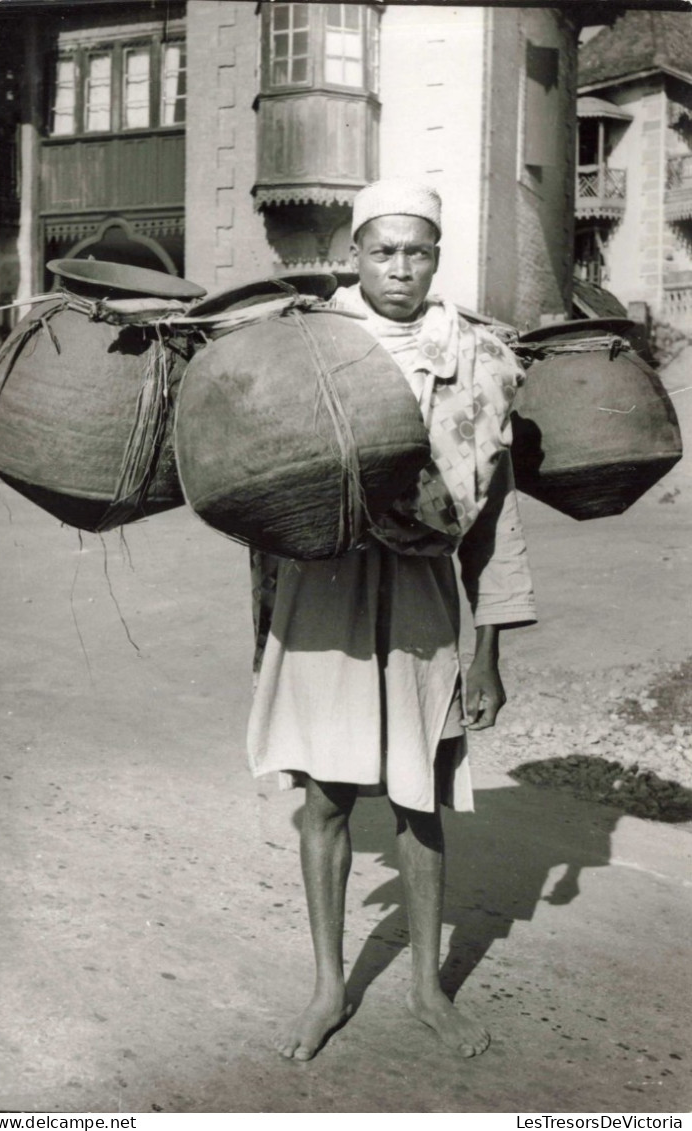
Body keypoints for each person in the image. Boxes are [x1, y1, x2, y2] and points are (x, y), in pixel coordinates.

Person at [247, 179, 536, 1061]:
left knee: (421, 797)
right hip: (320, 591)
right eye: (382, 251)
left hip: (419, 593)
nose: (399, 268)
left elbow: (494, 514)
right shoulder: (308, 343)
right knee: (325, 796)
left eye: (416, 251)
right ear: (354, 256)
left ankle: (423, 988)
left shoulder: (477, 358)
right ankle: (330, 986)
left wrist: (486, 651)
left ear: (435, 258)